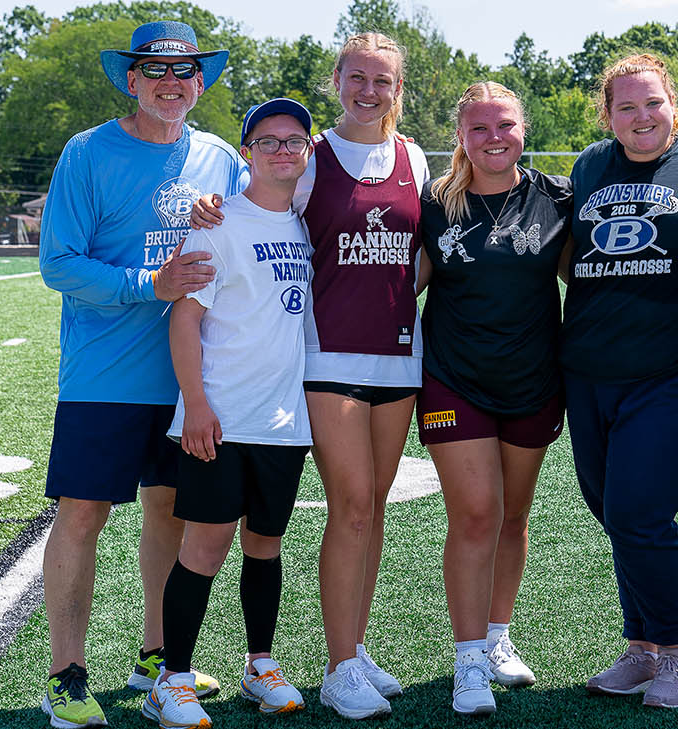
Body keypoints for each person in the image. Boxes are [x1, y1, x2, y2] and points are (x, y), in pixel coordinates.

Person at [189, 31, 429, 720]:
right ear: (337, 80)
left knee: (373, 510)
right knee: (351, 506)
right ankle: (338, 666)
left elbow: (423, 254)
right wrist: (207, 206)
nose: (368, 91)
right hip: (327, 361)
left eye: (382, 81)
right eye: (357, 77)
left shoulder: (412, 155)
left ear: (397, 89)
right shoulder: (312, 159)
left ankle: (355, 645)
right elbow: (250, 205)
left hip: (398, 358)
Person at [37, 21, 245, 729]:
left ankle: (156, 658)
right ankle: (66, 674)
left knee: (171, 512)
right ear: (130, 79)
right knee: (83, 513)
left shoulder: (221, 158)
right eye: (155, 71)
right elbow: (59, 263)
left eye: (185, 72)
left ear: (201, 82)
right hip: (103, 376)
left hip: (191, 378)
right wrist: (148, 283)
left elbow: (255, 230)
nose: (171, 83)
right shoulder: (89, 152)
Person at [560, 52, 678, 712]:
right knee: (613, 512)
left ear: (674, 106)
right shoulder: (588, 166)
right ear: (607, 115)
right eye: (626, 106)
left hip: (676, 370)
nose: (641, 117)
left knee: (640, 511)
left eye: (653, 103)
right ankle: (641, 647)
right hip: (590, 369)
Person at [142, 98, 316, 729]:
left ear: (307, 151)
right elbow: (185, 318)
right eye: (267, 141)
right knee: (205, 545)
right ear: (248, 152)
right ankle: (173, 677)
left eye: (293, 140)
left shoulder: (303, 221)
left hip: (284, 420)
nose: (281, 150)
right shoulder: (217, 224)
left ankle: (259, 666)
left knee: (265, 546)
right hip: (221, 415)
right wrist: (195, 404)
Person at [417, 81, 569, 715]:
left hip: (534, 378)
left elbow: (594, 276)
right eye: (479, 128)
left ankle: (500, 637)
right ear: (461, 137)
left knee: (512, 515)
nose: (493, 138)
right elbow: (400, 285)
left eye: (504, 125)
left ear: (523, 129)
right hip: (455, 378)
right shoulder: (433, 204)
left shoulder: (558, 199)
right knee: (476, 513)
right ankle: (469, 657)